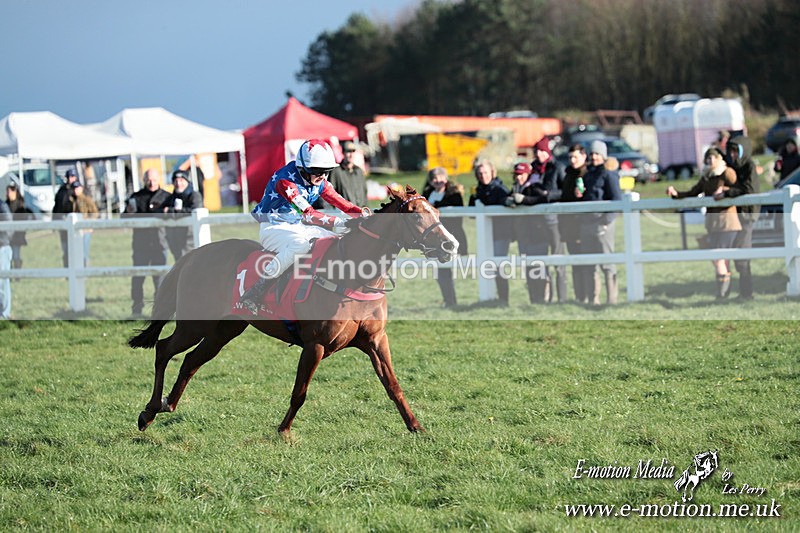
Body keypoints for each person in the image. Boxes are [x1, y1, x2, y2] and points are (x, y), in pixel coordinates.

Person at [238, 139, 370, 314]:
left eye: (326, 171)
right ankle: (255, 291)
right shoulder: (286, 181)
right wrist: (341, 222)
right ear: (303, 169)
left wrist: (364, 215)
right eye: (317, 171)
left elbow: (342, 204)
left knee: (335, 240)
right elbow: (308, 213)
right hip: (273, 228)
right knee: (300, 246)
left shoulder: (319, 180)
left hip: (297, 226)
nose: (322, 176)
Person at [667, 147, 740, 298]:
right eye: (707, 158)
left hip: (728, 221)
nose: (710, 160)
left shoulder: (727, 172)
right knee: (719, 259)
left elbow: (738, 189)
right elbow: (693, 192)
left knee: (718, 257)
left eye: (712, 157)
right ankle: (724, 292)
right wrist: (676, 194)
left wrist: (724, 191)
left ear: (719, 158)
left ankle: (721, 294)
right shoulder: (706, 176)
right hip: (713, 222)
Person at [509, 137, 567, 302]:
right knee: (538, 262)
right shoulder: (533, 169)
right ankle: (543, 298)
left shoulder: (557, 168)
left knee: (558, 261)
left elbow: (564, 192)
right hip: (534, 223)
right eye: (537, 151)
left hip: (554, 220)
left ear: (548, 152)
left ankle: (561, 299)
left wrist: (549, 196)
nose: (539, 154)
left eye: (542, 151)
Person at [715, 135, 759, 299]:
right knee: (736, 254)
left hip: (747, 215)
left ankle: (746, 293)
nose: (733, 155)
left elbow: (748, 189)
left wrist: (727, 193)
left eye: (735, 152)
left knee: (742, 255)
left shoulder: (749, 166)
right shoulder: (732, 166)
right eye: (731, 151)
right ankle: (740, 293)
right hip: (735, 215)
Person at [579, 140, 622, 305]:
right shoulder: (588, 174)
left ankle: (612, 299)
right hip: (587, 223)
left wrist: (606, 222)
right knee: (589, 264)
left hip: (603, 224)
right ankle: (593, 299)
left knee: (607, 263)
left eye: (597, 154)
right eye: (593, 154)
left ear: (603, 156)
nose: (595, 157)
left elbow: (616, 200)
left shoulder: (609, 174)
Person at [124, 169, 171, 316]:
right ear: (144, 180)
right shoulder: (136, 197)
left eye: (154, 179)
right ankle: (136, 309)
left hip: (160, 243)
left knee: (160, 279)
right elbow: (123, 217)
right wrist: (128, 212)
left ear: (159, 180)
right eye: (149, 179)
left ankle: (159, 310)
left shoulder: (166, 197)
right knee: (138, 277)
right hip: (140, 244)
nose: (151, 182)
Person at [468, 159, 512, 306]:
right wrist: (474, 197)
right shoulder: (476, 190)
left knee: (498, 266)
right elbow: (471, 213)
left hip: (500, 234)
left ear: (492, 173)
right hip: (484, 236)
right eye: (479, 173)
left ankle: (504, 299)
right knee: (487, 266)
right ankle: (490, 297)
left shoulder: (500, 189)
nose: (483, 176)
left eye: (485, 172)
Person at [422, 167, 467, 308]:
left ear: (446, 178)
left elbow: (457, 215)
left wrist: (436, 207)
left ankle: (452, 301)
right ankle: (449, 300)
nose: (437, 181)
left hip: (450, 237)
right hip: (433, 239)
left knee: (449, 268)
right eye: (434, 178)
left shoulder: (454, 194)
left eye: (440, 177)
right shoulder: (427, 193)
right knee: (440, 271)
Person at [559, 144, 589, 302]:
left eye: (576, 157)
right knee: (575, 262)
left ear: (584, 157)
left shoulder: (587, 174)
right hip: (569, 225)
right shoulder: (568, 174)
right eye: (570, 157)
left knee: (585, 262)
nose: (572, 160)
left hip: (583, 224)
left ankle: (588, 295)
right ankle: (579, 296)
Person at [164, 170, 203, 261]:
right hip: (174, 238)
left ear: (187, 181)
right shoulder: (171, 198)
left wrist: (171, 211)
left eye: (181, 180)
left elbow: (195, 211)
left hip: (189, 238)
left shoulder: (194, 195)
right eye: (176, 181)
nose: (178, 183)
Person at [327, 140, 367, 207]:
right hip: (344, 213)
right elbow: (330, 194)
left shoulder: (359, 171)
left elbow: (364, 192)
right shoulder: (336, 171)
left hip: (361, 211)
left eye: (353, 151)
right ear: (343, 152)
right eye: (348, 151)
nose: (351, 155)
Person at [53, 168, 79, 267]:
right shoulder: (61, 190)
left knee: (76, 248)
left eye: (72, 176)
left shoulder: (78, 189)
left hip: (75, 223)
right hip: (63, 223)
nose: (70, 179)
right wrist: (54, 220)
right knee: (65, 248)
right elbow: (57, 206)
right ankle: (67, 269)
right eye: (68, 177)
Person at [70, 181, 99, 267]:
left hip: (85, 229)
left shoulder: (86, 199)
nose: (76, 190)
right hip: (75, 230)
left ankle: (86, 269)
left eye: (77, 188)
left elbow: (95, 212)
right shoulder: (71, 200)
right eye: (74, 188)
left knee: (84, 251)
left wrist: (89, 223)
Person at [5, 182, 33, 271]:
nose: (9, 193)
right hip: (7, 235)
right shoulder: (5, 205)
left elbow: (24, 218)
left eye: (11, 191)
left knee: (16, 256)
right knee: (8, 256)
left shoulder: (20, 205)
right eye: (8, 191)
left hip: (17, 235)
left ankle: (17, 274)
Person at [0, 199, 11, 319]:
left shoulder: (2, 206)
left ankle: (4, 313)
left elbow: (9, 227)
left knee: (2, 282)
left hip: (2, 247)